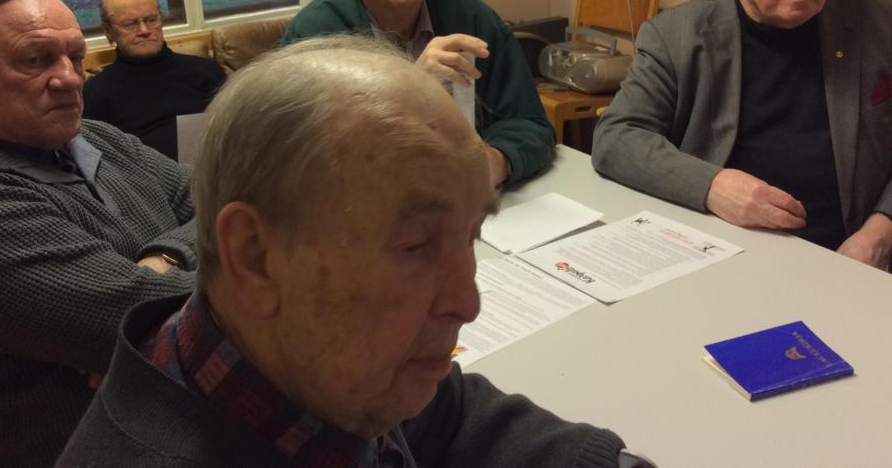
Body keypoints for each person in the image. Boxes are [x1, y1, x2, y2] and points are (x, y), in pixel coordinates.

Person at [58, 36, 652, 467]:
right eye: (416, 245)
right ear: (256, 257)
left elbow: (447, 413)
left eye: (469, 235)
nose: (469, 303)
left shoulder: (329, 367)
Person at [0, 0, 199, 468]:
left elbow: (222, 198)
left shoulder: (95, 138)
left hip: (174, 413)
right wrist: (156, 312)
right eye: (35, 60)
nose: (71, 79)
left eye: (75, 57)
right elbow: (151, 319)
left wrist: (166, 257)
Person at [592, 0, 892, 269]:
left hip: (852, 253)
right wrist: (712, 186)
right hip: (724, 249)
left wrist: (880, 232)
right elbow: (617, 136)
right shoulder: (677, 35)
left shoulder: (879, 22)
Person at [281, 0, 553, 188]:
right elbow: (299, 163)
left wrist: (495, 162)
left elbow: (530, 123)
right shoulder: (315, 38)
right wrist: (412, 87)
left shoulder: (471, 17)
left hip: (471, 203)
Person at [84, 0, 225, 159]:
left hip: (214, 166)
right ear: (108, 30)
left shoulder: (207, 72)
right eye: (130, 24)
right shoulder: (95, 94)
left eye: (151, 20)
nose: (144, 30)